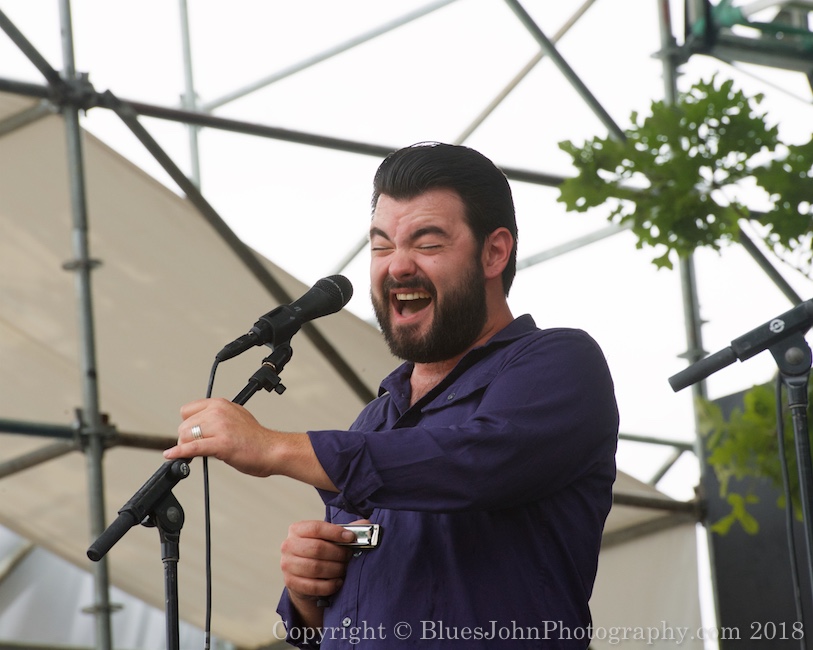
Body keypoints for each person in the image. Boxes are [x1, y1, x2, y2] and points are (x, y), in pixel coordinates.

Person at [164, 142, 619, 648]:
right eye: (381, 247)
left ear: (494, 252)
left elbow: (472, 463)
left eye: (427, 243)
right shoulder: (374, 422)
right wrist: (308, 596)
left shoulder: (560, 362)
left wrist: (273, 447)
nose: (397, 266)